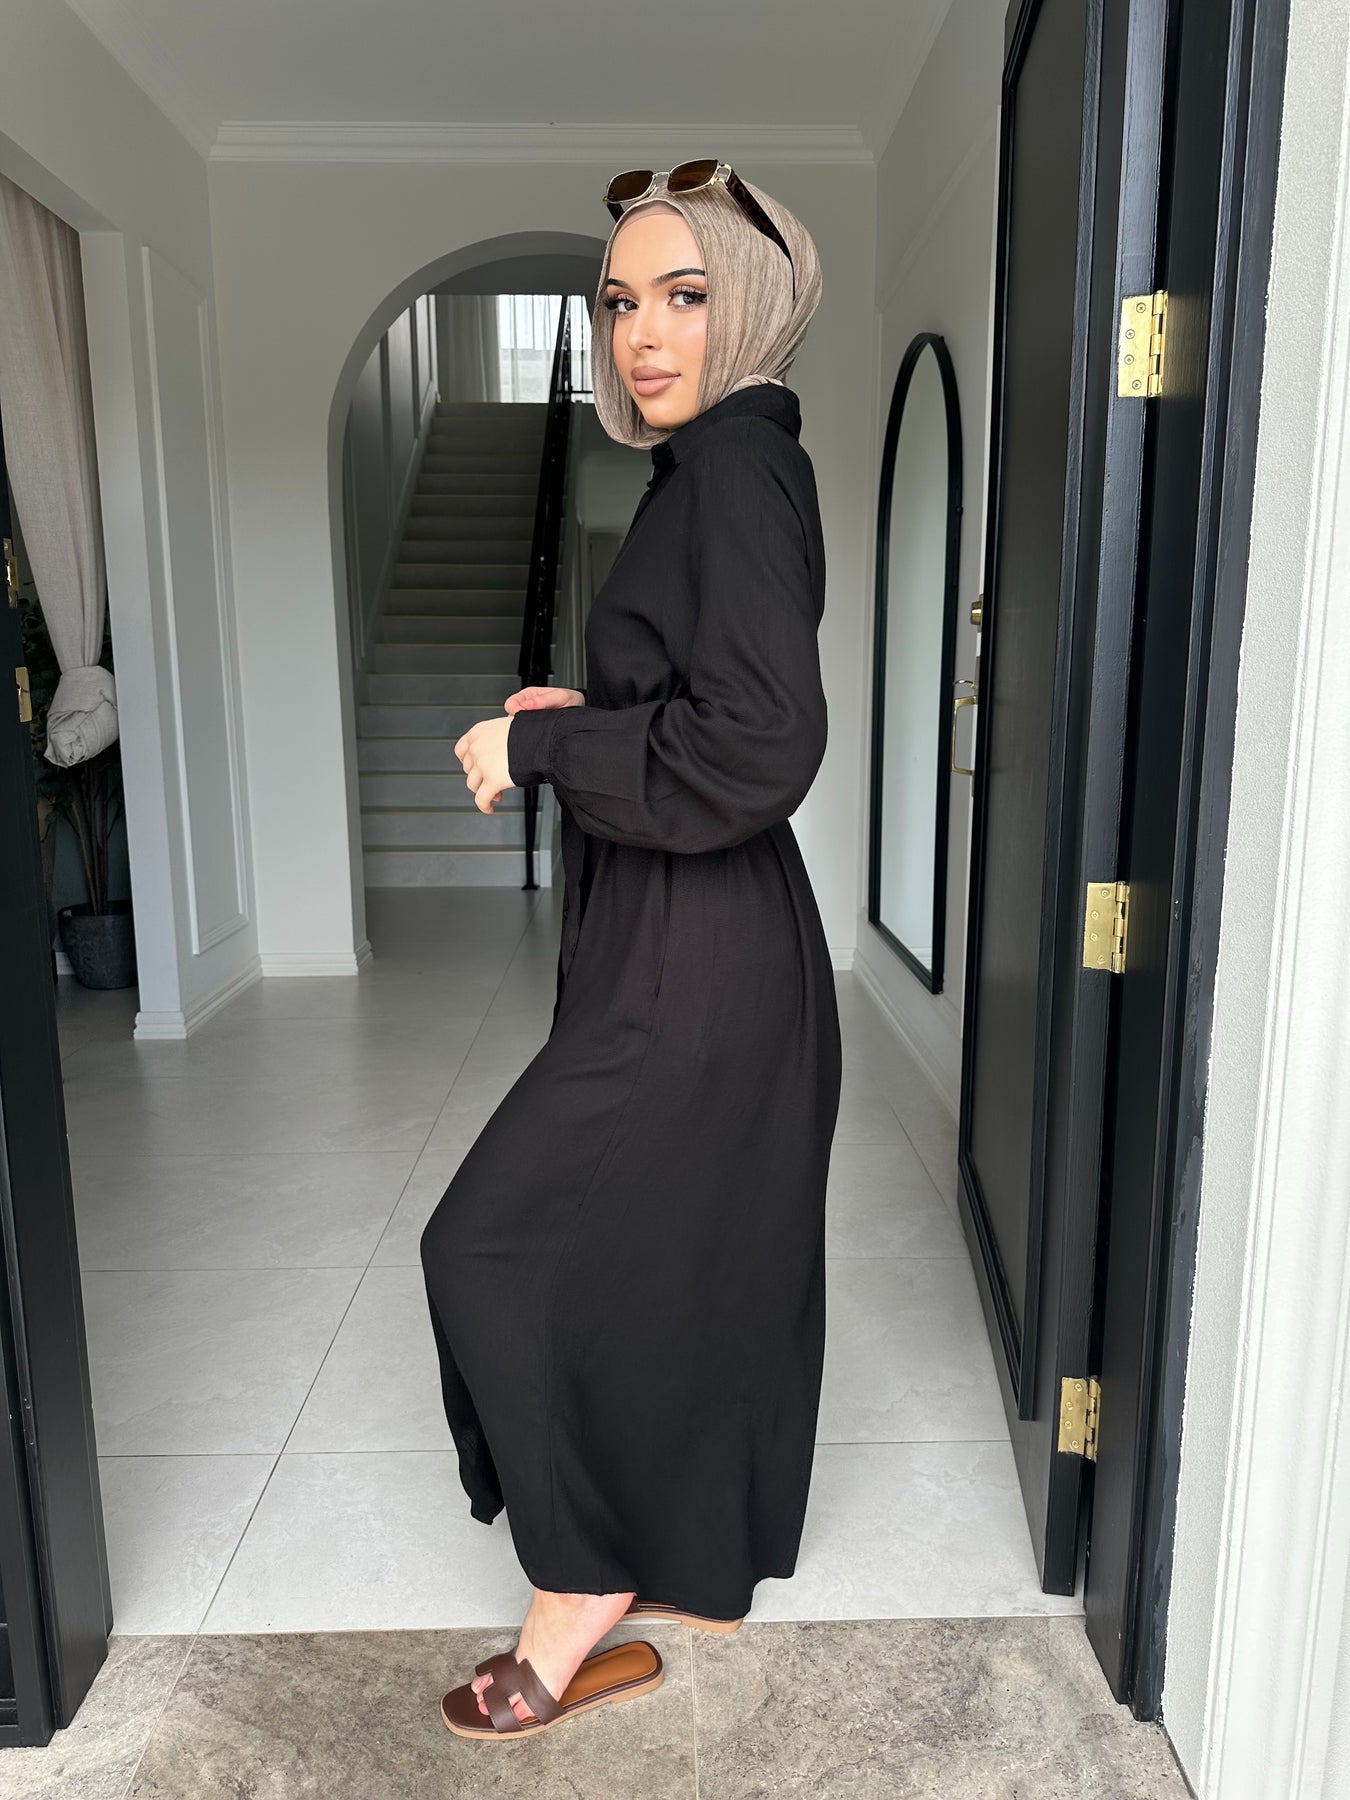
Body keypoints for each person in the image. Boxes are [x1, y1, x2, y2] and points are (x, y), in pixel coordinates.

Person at [423, 161, 842, 1743]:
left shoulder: (734, 467)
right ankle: (680, 1557)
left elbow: (758, 745)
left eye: (683, 296)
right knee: (680, 1253)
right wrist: (587, 713)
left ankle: (580, 1583)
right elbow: (701, 707)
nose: (640, 334)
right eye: (617, 302)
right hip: (694, 934)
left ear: (755, 301)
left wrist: (542, 752)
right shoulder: (711, 469)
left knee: (490, 1244)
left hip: (700, 953)